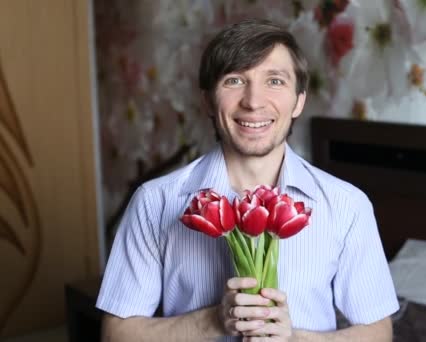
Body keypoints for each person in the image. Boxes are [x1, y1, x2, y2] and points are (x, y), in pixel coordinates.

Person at [96, 19, 399, 341]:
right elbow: (117, 334)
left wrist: (295, 339)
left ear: (299, 101)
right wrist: (214, 320)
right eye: (235, 80)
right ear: (208, 101)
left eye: (275, 81)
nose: (253, 102)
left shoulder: (347, 205)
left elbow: (378, 332)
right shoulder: (155, 202)